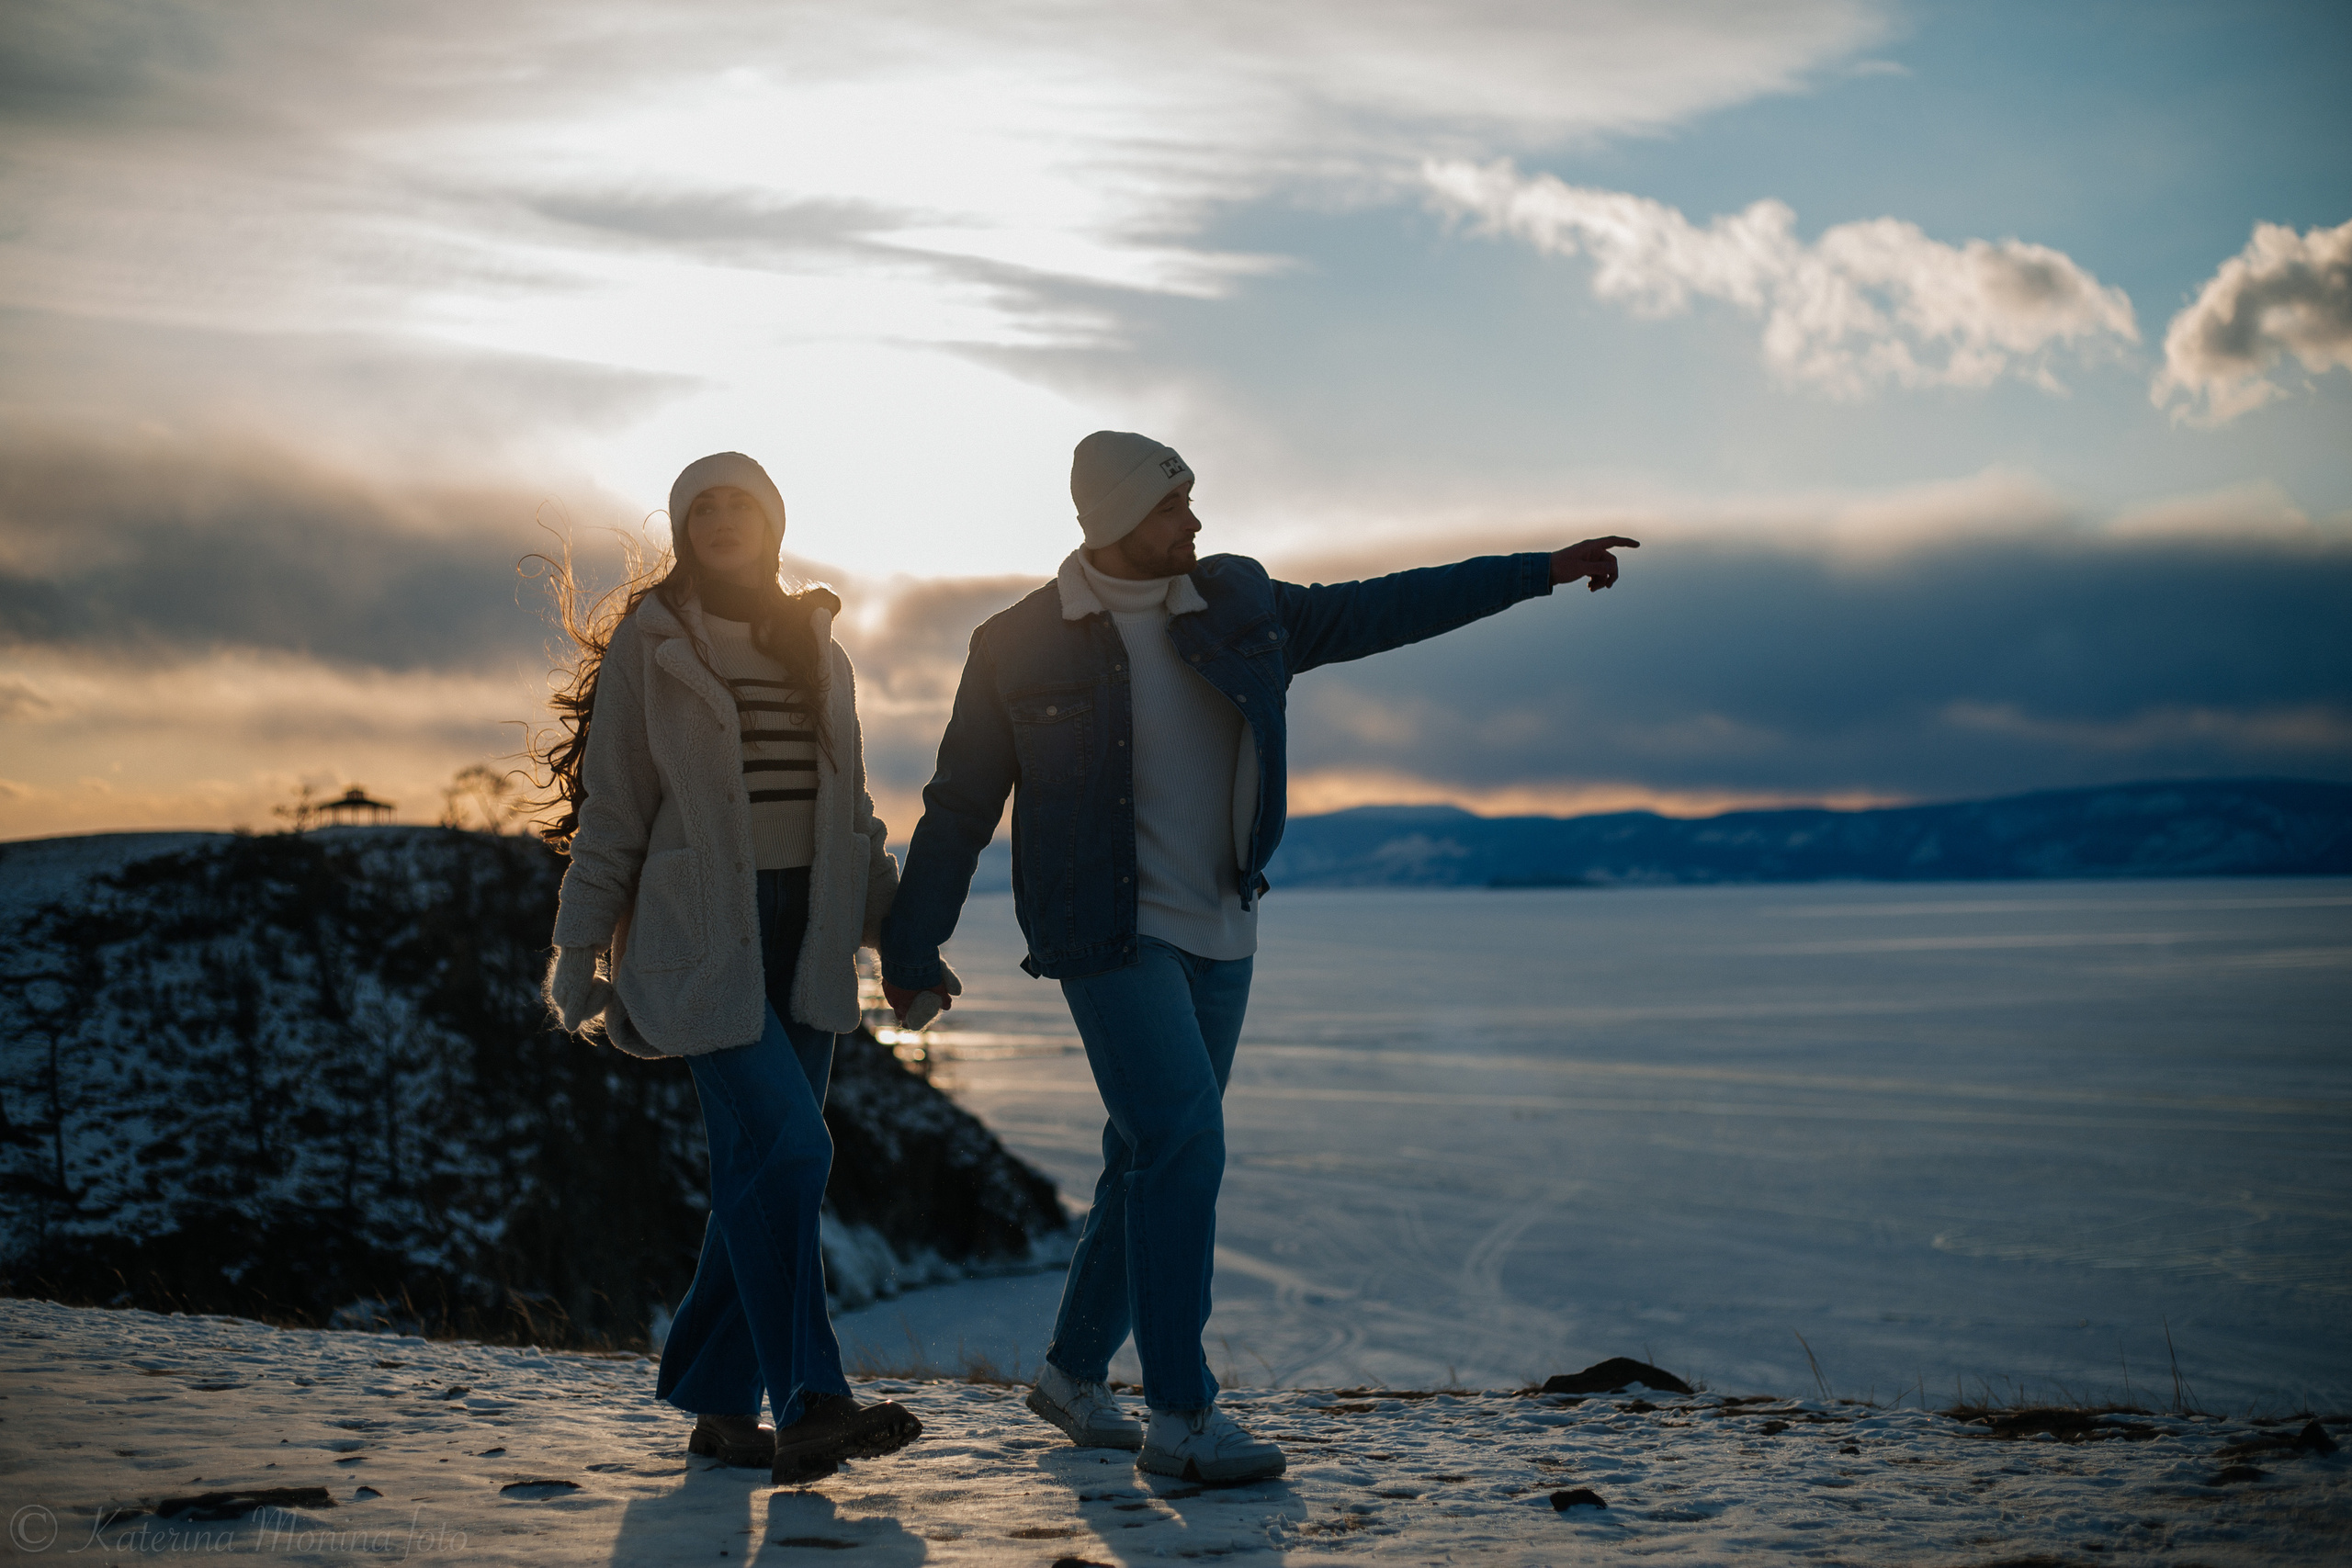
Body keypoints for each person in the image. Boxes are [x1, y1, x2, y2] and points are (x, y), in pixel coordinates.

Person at [878, 430, 1637, 1483]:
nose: (1193, 520)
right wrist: (912, 945)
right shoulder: (1019, 643)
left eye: (1191, 499)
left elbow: (1381, 608)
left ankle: (1071, 1373)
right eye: (1170, 505)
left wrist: (1536, 571)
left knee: (1145, 1152)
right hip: (1103, 931)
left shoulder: (1238, 601)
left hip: (1221, 927)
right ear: (1113, 517)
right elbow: (961, 805)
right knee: (1182, 1139)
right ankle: (1181, 1417)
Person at [537, 452, 921, 1486]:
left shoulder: (819, 648)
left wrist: (899, 942)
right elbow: (615, 807)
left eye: (736, 503)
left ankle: (717, 1401)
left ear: (771, 522)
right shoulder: (654, 645)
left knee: (762, 1168)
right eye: (698, 506)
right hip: (701, 937)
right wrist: (578, 945)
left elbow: (852, 816)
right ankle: (812, 1403)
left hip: (809, 936)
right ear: (682, 529)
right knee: (793, 1150)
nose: (718, 518)